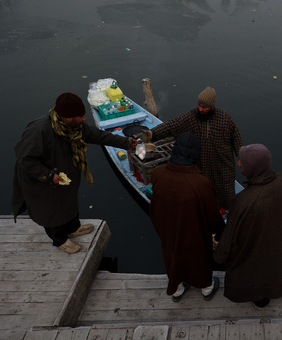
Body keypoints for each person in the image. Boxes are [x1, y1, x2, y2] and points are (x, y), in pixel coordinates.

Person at [12, 92, 137, 254]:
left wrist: (126, 142)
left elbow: (98, 136)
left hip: (64, 176)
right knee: (52, 212)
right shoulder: (38, 131)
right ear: (67, 117)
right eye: (80, 116)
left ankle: (72, 229)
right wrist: (50, 176)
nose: (84, 119)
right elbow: (25, 159)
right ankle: (60, 240)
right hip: (41, 182)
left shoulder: (75, 127)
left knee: (68, 202)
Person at [213, 144, 282, 309]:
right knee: (271, 270)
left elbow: (228, 240)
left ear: (252, 167)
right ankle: (268, 295)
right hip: (274, 245)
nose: (238, 164)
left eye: (242, 162)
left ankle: (259, 299)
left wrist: (218, 257)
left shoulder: (242, 201)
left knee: (252, 274)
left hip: (251, 251)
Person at [149, 133, 225, 302]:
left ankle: (177, 290)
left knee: (173, 258)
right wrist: (220, 233)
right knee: (200, 260)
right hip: (194, 233)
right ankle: (206, 288)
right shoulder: (201, 183)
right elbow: (213, 216)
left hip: (168, 230)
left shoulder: (158, 174)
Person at [150, 86, 243, 210]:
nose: (200, 109)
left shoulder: (224, 118)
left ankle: (228, 213)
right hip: (203, 165)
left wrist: (241, 156)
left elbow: (236, 137)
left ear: (212, 107)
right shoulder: (191, 117)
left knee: (226, 192)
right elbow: (172, 125)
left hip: (223, 166)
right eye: (199, 105)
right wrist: (152, 134)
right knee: (205, 191)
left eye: (204, 107)